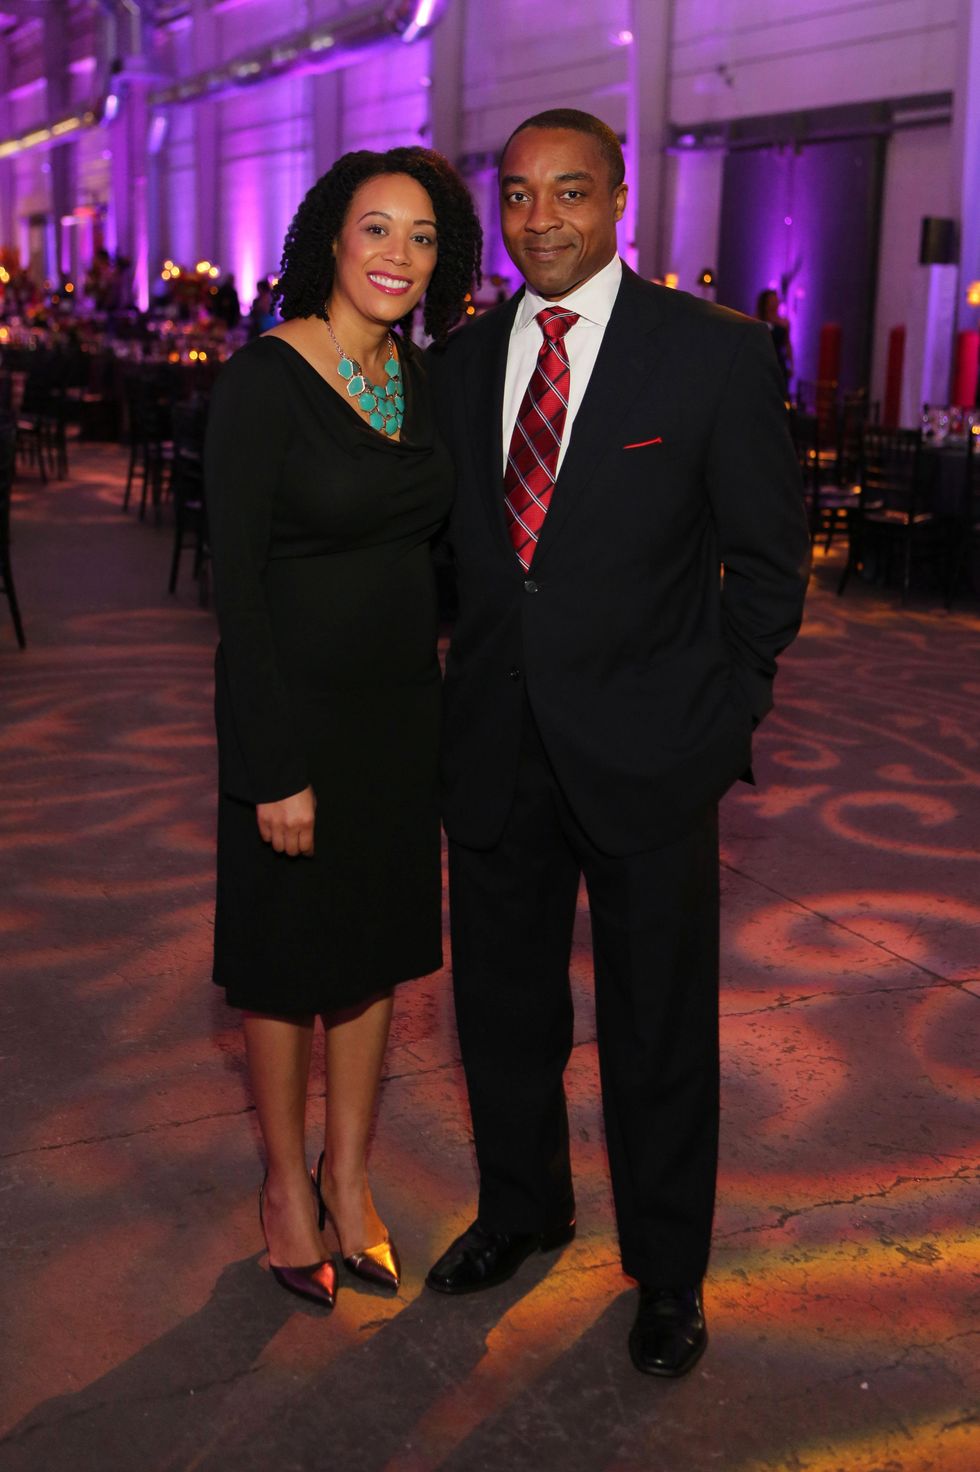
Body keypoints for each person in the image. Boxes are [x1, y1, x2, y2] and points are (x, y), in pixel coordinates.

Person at [425, 109, 810, 1376]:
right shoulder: (460, 360)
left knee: (655, 1024)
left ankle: (665, 1270)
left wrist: (724, 710)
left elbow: (766, 563)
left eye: (569, 193)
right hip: (493, 741)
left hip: (650, 752)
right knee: (501, 1007)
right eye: (520, 195)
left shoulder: (710, 355)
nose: (542, 219)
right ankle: (523, 1209)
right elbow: (451, 563)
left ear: (619, 200)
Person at [204, 148, 481, 1310]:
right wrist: (272, 764)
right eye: (377, 230)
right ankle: (282, 1183)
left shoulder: (420, 385)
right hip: (295, 729)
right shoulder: (265, 380)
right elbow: (238, 590)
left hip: (396, 728)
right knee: (285, 969)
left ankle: (351, 1175)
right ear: (330, 237)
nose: (398, 258)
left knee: (373, 958)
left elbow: (444, 557)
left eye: (421, 238)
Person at [756, 287, 793, 392]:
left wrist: (791, 365)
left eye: (776, 300)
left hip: (778, 361)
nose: (774, 302)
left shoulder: (784, 322)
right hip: (761, 360)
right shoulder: (756, 320)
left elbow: (787, 344)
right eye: (771, 300)